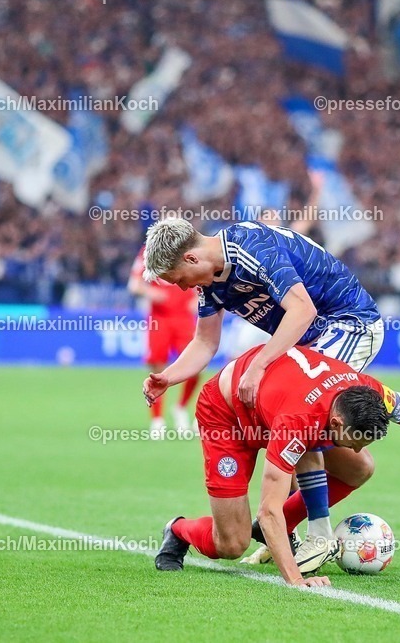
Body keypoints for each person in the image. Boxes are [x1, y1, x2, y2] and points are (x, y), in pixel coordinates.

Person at [152, 344, 400, 586]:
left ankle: (280, 532)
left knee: (359, 467)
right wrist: (297, 581)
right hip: (228, 417)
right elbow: (268, 508)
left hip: (277, 404)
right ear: (339, 424)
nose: (358, 447)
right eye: (356, 439)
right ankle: (179, 529)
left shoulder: (371, 392)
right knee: (231, 544)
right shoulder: (298, 422)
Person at [139, 217, 384, 569]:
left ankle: (318, 534)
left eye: (178, 280)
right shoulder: (210, 281)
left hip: (348, 323)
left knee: (304, 407)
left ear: (191, 259)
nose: (180, 289)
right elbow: (206, 342)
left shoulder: (251, 249)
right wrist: (170, 376)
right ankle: (281, 528)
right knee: (299, 417)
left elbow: (303, 309)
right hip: (306, 338)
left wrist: (260, 365)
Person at [128, 246, 201, 436]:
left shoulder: (190, 247)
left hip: (184, 317)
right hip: (159, 318)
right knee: (157, 369)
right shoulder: (147, 251)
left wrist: (199, 298)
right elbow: (134, 284)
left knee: (194, 366)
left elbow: (204, 275)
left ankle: (181, 407)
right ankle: (157, 419)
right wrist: (150, 293)